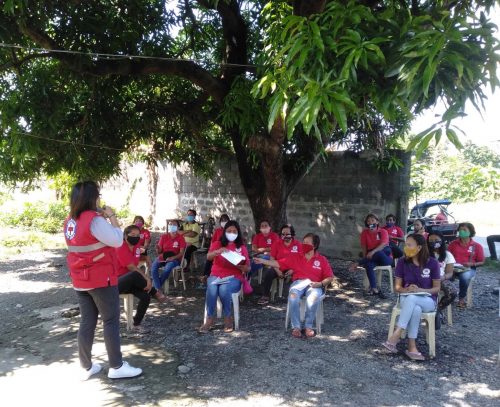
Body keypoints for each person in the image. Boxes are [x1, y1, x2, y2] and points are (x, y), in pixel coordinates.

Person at [63, 181, 141, 380]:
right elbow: (116, 240)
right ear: (92, 198)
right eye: (97, 196)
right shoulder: (95, 220)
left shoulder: (70, 221)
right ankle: (116, 366)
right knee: (110, 321)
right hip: (100, 278)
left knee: (87, 321)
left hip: (80, 278)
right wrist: (113, 217)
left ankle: (86, 366)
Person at [255, 233, 334, 338]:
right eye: (303, 242)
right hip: (298, 283)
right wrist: (262, 260)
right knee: (293, 297)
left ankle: (308, 327)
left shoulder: (322, 260)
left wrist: (320, 284)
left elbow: (330, 277)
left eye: (307, 243)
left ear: (314, 246)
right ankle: (296, 327)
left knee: (312, 299)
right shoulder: (296, 257)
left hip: (314, 285)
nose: (303, 244)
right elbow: (278, 263)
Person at [382, 233, 441, 361]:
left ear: (419, 247)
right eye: (405, 245)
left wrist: (421, 290)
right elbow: (397, 288)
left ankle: (396, 334)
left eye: (409, 245)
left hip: (428, 300)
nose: (406, 248)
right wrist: (407, 289)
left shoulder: (432, 263)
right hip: (406, 297)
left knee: (413, 299)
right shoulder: (402, 262)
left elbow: (437, 288)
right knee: (415, 307)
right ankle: (411, 346)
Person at [198, 220, 250, 333]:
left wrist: (243, 267)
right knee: (211, 286)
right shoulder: (217, 243)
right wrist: (218, 251)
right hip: (216, 274)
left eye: (234, 231)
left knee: (224, 289)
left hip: (234, 276)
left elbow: (248, 267)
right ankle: (210, 319)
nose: (231, 233)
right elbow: (208, 257)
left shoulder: (241, 247)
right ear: (224, 232)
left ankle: (227, 318)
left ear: (238, 233)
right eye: (229, 231)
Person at [116, 225, 167, 332]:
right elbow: (131, 267)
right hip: (117, 282)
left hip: (131, 282)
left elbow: (142, 255)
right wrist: (147, 279)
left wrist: (148, 259)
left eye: (138, 235)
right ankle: (155, 292)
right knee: (135, 274)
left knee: (145, 297)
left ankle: (136, 324)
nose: (136, 237)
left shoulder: (137, 246)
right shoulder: (120, 247)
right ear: (125, 236)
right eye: (132, 235)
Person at [349, 214, 392, 298]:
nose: (370, 222)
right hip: (372, 257)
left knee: (378, 252)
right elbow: (364, 247)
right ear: (366, 223)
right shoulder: (365, 233)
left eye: (373, 220)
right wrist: (366, 258)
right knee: (368, 265)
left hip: (384, 258)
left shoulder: (383, 231)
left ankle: (357, 263)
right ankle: (374, 288)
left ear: (377, 221)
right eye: (368, 221)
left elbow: (383, 245)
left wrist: (372, 252)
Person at [258, 224, 302, 305]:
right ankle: (265, 296)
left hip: (293, 267)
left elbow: (300, 260)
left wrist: (293, 270)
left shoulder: (298, 244)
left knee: (301, 275)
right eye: (283, 234)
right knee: (268, 273)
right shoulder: (277, 243)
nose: (285, 236)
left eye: (287, 234)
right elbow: (272, 259)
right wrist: (277, 271)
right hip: (279, 266)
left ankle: (297, 297)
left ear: (292, 234)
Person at [448, 222, 485, 308]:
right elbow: (447, 256)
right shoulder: (453, 244)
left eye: (464, 230)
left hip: (468, 269)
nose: (461, 231)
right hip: (453, 268)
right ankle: (446, 296)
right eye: (460, 230)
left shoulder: (477, 246)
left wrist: (472, 264)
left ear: (470, 232)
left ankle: (461, 298)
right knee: (443, 276)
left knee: (464, 277)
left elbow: (482, 261)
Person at [151, 219, 186, 290]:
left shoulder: (181, 238)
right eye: (171, 225)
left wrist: (173, 258)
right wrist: (157, 249)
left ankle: (157, 288)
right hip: (163, 257)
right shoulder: (164, 237)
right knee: (153, 267)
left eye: (174, 225)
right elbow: (159, 251)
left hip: (175, 259)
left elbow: (181, 253)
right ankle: (158, 289)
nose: (172, 226)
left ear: (178, 227)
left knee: (167, 268)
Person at [427, 232, 457, 310]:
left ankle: (438, 310)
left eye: (436, 240)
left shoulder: (447, 255)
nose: (434, 242)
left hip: (440, 279)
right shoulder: (423, 253)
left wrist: (443, 277)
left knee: (452, 293)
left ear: (442, 240)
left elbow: (450, 273)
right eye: (431, 240)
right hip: (424, 277)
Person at [199, 214, 230, 288]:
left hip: (227, 251)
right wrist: (212, 251)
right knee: (209, 259)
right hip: (216, 250)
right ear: (220, 222)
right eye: (222, 220)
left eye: (225, 220)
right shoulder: (217, 231)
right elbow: (213, 242)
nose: (224, 222)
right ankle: (206, 276)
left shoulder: (230, 231)